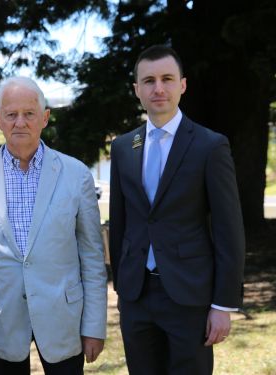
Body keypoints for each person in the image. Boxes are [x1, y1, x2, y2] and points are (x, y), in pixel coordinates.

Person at [0, 76, 108, 374]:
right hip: (0, 321)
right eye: (11, 114)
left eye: (29, 114)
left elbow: (91, 258)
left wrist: (94, 325)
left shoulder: (76, 175)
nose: (20, 122)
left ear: (45, 118)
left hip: (65, 318)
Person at [109, 44, 246, 374]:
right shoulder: (123, 147)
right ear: (137, 90)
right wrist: (122, 287)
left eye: (167, 79)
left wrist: (222, 304)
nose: (159, 88)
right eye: (149, 80)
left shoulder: (210, 146)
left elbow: (230, 229)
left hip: (190, 297)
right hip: (136, 296)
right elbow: (120, 222)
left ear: (182, 85)